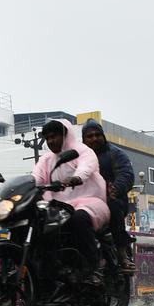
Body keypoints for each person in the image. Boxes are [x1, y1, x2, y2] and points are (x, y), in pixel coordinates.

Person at [33, 118, 109, 286]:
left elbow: (86, 166)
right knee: (38, 224)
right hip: (60, 207)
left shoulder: (81, 151)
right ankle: (50, 271)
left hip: (89, 202)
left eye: (54, 136)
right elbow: (36, 177)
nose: (51, 141)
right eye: (47, 138)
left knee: (79, 219)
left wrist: (76, 177)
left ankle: (95, 268)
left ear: (65, 135)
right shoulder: (46, 160)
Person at [81, 119, 136, 272]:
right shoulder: (77, 157)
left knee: (113, 207)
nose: (94, 138)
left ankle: (122, 253)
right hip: (82, 202)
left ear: (103, 136)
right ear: (83, 139)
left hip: (110, 200)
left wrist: (116, 188)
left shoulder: (115, 154)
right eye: (89, 136)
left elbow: (126, 174)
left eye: (97, 135)